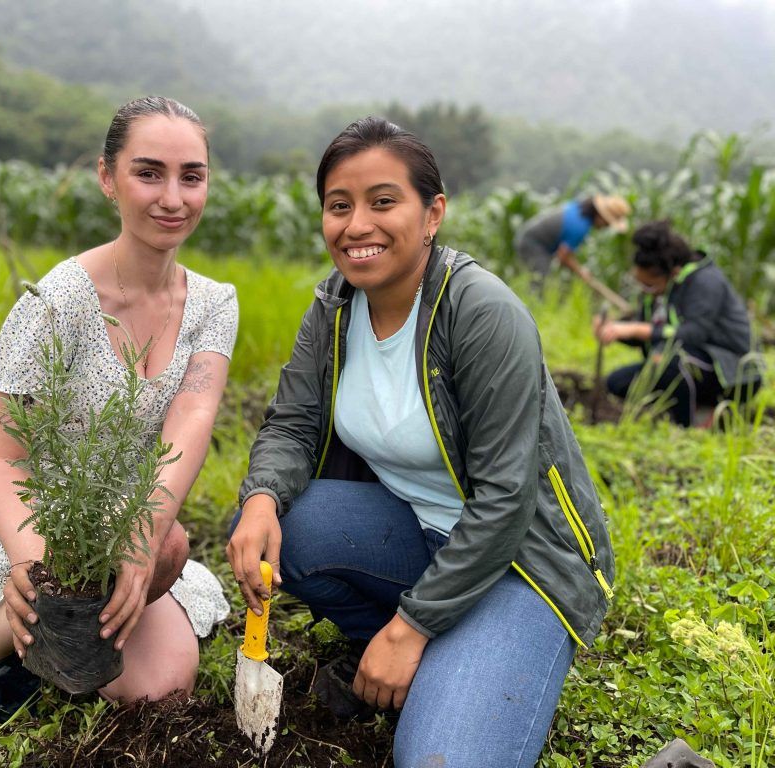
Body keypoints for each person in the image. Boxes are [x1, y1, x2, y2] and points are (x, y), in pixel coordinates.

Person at [226, 117, 615, 768]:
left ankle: (454, 660)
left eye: (383, 202)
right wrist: (262, 496)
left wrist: (410, 629)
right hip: (420, 535)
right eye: (338, 206)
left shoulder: (480, 312)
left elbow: (506, 500)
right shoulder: (334, 307)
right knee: (278, 521)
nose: (357, 225)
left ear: (432, 213)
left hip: (520, 563)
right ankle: (438, 658)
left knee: (441, 758)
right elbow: (292, 423)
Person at [0, 96, 236, 722]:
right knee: (99, 575)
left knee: (162, 680)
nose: (173, 198)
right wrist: (34, 563)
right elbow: (6, 460)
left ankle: (55, 652)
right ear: (108, 178)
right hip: (34, 510)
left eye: (192, 176)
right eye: (148, 172)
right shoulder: (56, 303)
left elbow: (191, 421)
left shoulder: (214, 304)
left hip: (127, 514)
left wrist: (142, 532)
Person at [595, 220, 761, 427]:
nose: (644, 290)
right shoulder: (660, 292)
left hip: (732, 371)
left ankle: (689, 425)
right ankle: (687, 407)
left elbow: (693, 334)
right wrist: (616, 331)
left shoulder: (706, 282)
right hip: (688, 363)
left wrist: (637, 328)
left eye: (648, 284)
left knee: (669, 358)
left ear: (672, 273)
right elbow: (650, 333)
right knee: (617, 382)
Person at [514, 195, 630, 277]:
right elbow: (563, 256)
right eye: (607, 223)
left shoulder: (580, 209)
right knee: (541, 282)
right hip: (532, 243)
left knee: (547, 279)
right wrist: (581, 272)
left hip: (532, 238)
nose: (606, 227)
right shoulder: (580, 226)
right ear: (601, 216)